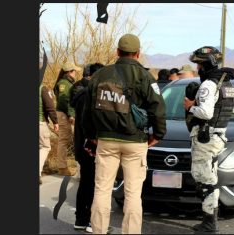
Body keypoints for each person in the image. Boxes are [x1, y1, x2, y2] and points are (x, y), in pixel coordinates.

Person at [82, 33, 166, 234]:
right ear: (138, 54)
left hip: (106, 141)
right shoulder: (146, 77)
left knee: (102, 190)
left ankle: (99, 231)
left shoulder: (100, 75)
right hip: (135, 141)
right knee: (133, 194)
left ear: (117, 52)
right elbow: (158, 109)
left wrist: (92, 135)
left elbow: (88, 110)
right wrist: (158, 135)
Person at [183, 46, 234, 233]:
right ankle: (210, 220)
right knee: (210, 179)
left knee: (204, 182)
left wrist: (191, 106)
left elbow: (205, 112)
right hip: (219, 137)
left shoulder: (209, 84)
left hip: (206, 139)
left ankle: (209, 222)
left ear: (206, 65)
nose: (198, 68)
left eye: (199, 64)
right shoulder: (228, 84)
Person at [69, 63, 104, 232]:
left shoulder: (82, 94)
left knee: (85, 183)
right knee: (92, 184)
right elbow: (88, 124)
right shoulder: (89, 96)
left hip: (82, 145)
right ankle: (88, 220)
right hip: (89, 146)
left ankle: (81, 220)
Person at [53, 61, 81, 176]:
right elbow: (64, 100)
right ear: (70, 72)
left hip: (64, 113)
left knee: (65, 139)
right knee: (64, 140)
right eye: (74, 71)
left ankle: (63, 165)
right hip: (64, 114)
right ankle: (62, 167)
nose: (76, 73)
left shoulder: (65, 82)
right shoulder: (64, 83)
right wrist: (70, 114)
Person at [39, 84, 59, 184]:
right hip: (40, 122)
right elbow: (50, 107)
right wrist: (55, 121)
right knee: (45, 147)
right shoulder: (43, 89)